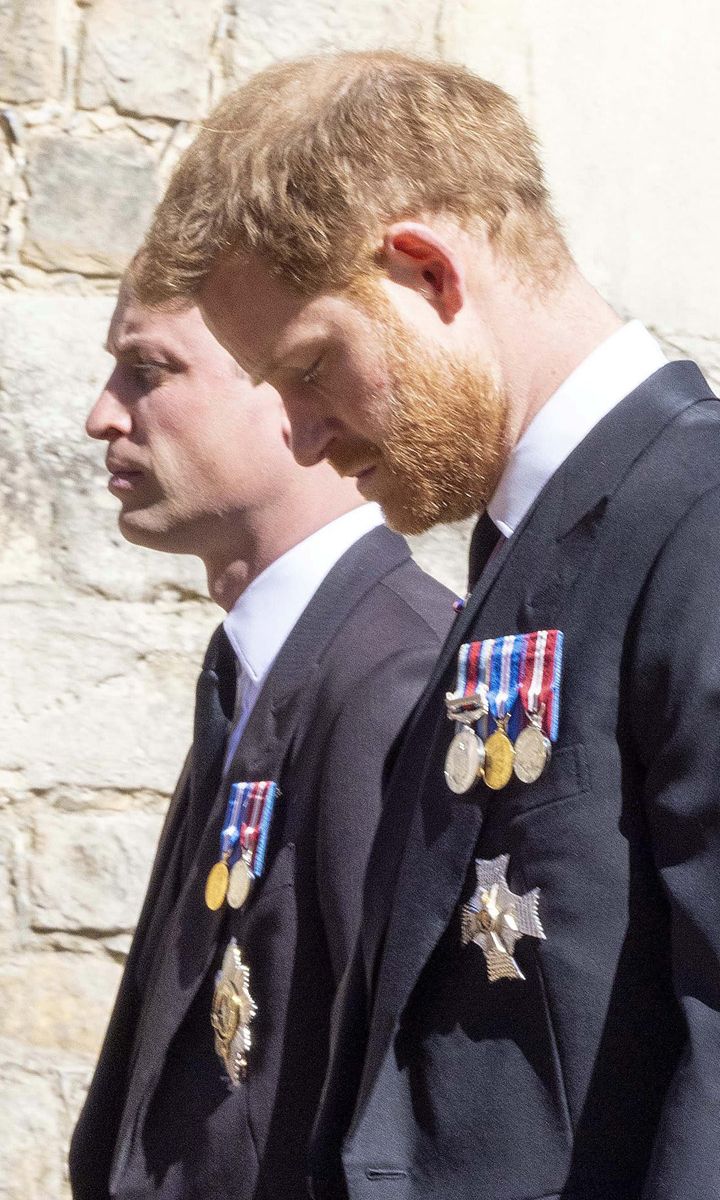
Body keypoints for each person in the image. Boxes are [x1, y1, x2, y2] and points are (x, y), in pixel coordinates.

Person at [131, 49, 720, 1200]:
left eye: (309, 369)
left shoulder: (693, 520)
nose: (303, 437)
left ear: (425, 271)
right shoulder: (533, 554)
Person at [68, 261, 455, 1200]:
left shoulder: (397, 681)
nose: (103, 416)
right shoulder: (259, 663)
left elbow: (404, 1124)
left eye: (149, 372)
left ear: (293, 387)